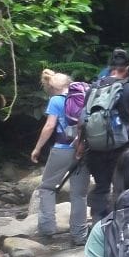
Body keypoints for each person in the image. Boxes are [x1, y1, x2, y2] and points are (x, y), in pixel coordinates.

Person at [85, 49, 129, 223]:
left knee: (101, 186)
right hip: (123, 147)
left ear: (110, 67)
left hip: (95, 148)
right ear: (127, 68)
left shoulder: (93, 88)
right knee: (123, 185)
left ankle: (98, 224)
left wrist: (81, 147)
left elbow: (82, 119)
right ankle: (123, 223)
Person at [31, 69, 89, 246]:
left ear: (51, 87)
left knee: (47, 188)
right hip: (84, 149)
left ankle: (47, 230)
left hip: (62, 149)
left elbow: (49, 127)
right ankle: (79, 235)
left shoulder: (56, 100)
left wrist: (37, 148)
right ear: (68, 83)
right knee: (79, 194)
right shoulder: (85, 96)